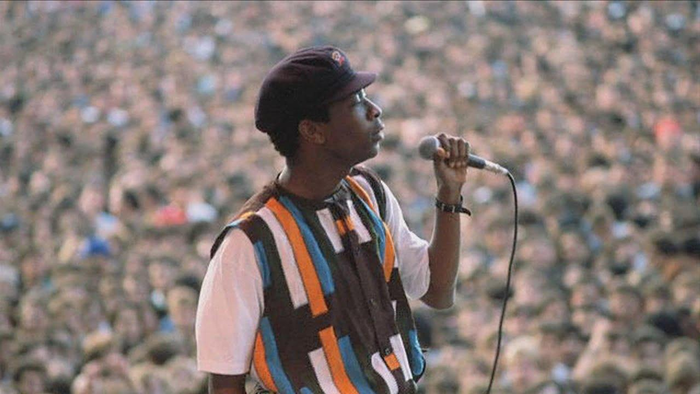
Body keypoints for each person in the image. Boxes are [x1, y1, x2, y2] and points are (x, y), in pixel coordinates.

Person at [195, 46, 473, 394]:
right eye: (355, 102)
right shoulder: (248, 243)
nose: (375, 110)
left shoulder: (369, 192)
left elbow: (437, 291)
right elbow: (224, 381)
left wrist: (449, 196)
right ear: (312, 131)